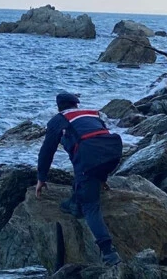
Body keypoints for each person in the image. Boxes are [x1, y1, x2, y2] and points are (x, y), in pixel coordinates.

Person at [35, 92, 125, 265]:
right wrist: (102, 177)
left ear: (59, 107)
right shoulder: (92, 114)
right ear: (76, 105)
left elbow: (47, 151)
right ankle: (74, 203)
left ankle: (109, 253)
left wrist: (41, 178)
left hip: (88, 157)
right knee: (84, 173)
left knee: (90, 206)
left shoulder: (58, 120)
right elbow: (99, 138)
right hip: (113, 153)